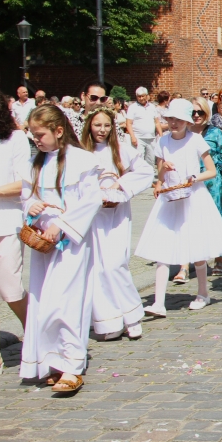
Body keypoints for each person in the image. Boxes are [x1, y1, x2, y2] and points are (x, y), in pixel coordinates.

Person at [20, 105, 103, 395]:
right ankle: (52, 360)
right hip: (44, 242)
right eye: (32, 136)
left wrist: (63, 224)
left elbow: (91, 200)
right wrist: (30, 206)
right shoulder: (37, 162)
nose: (36, 141)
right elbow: (26, 195)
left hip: (71, 244)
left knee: (65, 301)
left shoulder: (82, 160)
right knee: (44, 301)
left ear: (58, 131)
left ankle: (72, 364)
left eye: (40, 134)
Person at [136, 99, 222, 317]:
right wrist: (163, 173)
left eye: (179, 119)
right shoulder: (163, 141)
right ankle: (159, 302)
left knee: (196, 246)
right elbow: (160, 174)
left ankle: (203, 292)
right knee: (164, 247)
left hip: (193, 196)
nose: (174, 123)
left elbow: (211, 171)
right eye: (171, 119)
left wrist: (194, 177)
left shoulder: (196, 140)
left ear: (187, 121)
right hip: (171, 197)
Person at [80, 107, 153, 341]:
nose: (101, 130)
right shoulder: (81, 152)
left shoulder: (121, 150)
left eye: (106, 125)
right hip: (92, 216)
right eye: (97, 125)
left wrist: (119, 186)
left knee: (114, 264)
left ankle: (132, 315)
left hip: (116, 215)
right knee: (96, 268)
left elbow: (144, 172)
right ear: (89, 126)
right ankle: (108, 320)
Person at [0, 85, 30, 378]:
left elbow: (25, 183)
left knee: (9, 286)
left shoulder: (15, 140)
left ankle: (36, 333)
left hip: (5, 220)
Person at [180, 97, 222, 278]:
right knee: (187, 222)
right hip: (189, 183)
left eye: (200, 112)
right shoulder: (183, 133)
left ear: (206, 113)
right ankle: (184, 265)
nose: (196, 115)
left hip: (212, 182)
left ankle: (218, 258)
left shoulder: (215, 133)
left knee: (216, 219)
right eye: (193, 112)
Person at [126, 87, 159, 171]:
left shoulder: (152, 107)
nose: (141, 98)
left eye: (142, 96)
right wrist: (133, 137)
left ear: (147, 96)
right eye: (139, 96)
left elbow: (157, 122)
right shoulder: (132, 107)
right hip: (138, 138)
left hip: (151, 138)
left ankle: (149, 180)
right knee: (138, 160)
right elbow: (129, 123)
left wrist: (161, 135)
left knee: (151, 160)